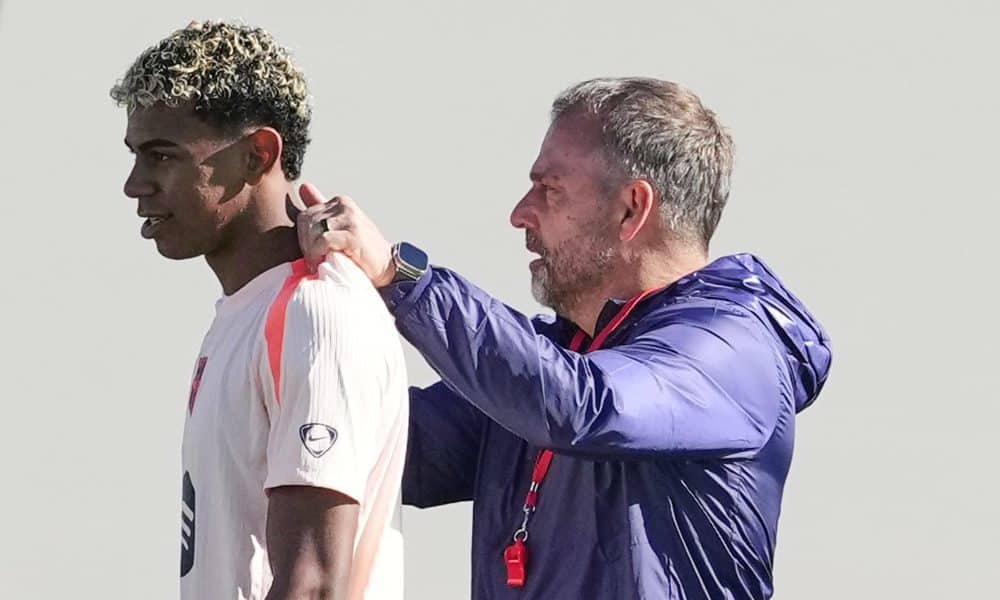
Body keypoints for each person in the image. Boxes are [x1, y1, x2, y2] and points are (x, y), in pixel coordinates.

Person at [296, 77, 833, 599]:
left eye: (549, 189)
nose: (519, 214)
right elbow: (379, 448)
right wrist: (281, 275)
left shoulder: (733, 349)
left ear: (631, 209)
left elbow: (583, 406)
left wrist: (401, 277)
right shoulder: (557, 360)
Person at [112, 21, 407, 600]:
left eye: (162, 156)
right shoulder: (248, 312)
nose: (134, 184)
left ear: (257, 154)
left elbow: (313, 584)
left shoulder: (316, 314)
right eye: (135, 155)